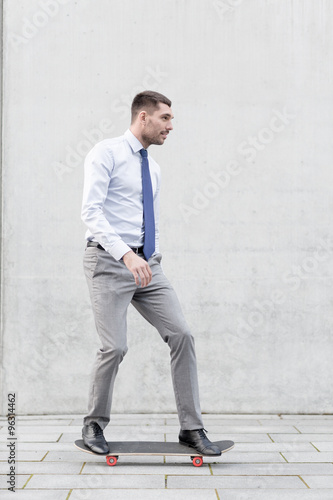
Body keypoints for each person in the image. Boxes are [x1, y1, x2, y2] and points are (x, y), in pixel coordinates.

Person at [81, 90, 220, 456]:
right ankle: (94, 423)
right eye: (165, 118)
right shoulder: (106, 153)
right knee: (114, 346)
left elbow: (147, 218)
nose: (170, 126)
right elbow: (91, 213)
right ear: (143, 117)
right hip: (110, 262)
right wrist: (127, 256)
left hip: (147, 266)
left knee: (182, 335)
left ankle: (191, 428)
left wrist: (149, 255)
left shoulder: (153, 167)